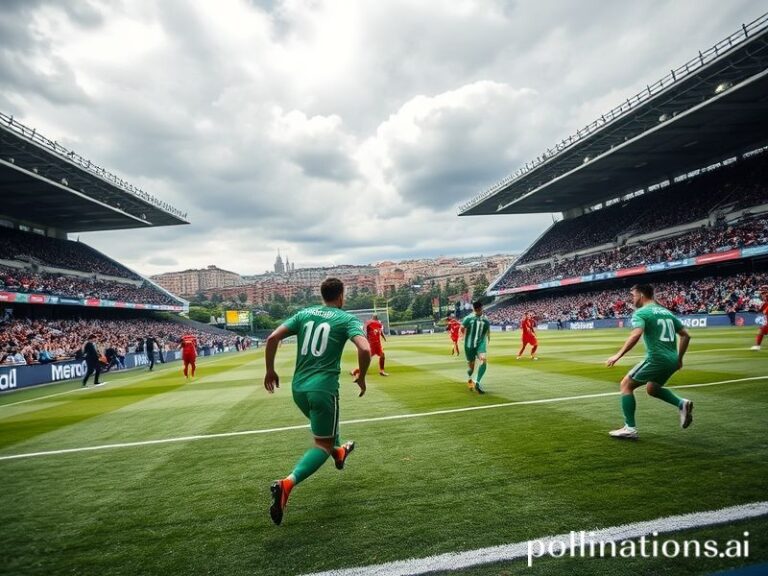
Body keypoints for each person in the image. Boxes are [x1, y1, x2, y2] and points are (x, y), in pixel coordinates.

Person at [264, 278, 371, 526]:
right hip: (323, 389)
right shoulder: (347, 319)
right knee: (322, 444)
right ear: (341, 296)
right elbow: (365, 350)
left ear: (322, 294)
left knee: (328, 431)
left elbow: (272, 339)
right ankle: (287, 484)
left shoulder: (303, 314)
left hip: (298, 388)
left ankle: (341, 452)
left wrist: (270, 371)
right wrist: (362, 377)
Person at [605, 284, 693, 440]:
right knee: (653, 388)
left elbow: (635, 335)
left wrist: (617, 355)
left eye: (633, 295)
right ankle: (681, 403)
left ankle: (630, 428)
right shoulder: (667, 312)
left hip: (656, 359)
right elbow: (686, 335)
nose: (632, 299)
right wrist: (679, 359)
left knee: (626, 385)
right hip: (672, 360)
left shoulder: (641, 313)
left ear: (641, 295)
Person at [461, 300, 491, 394]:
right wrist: (464, 336)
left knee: (483, 360)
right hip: (469, 345)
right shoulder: (468, 318)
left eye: (479, 309)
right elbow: (462, 328)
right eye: (477, 309)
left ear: (481, 308)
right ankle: (470, 379)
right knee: (471, 368)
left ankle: (477, 382)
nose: (478, 310)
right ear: (474, 309)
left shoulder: (485, 320)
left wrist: (487, 338)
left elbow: (487, 330)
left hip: (480, 344)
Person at [750, 285, 768, 351]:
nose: (762, 295)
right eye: (762, 293)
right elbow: (759, 310)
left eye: (763, 293)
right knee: (761, 331)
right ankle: (757, 346)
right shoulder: (764, 303)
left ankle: (757, 346)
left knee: (762, 330)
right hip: (767, 320)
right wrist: (753, 310)